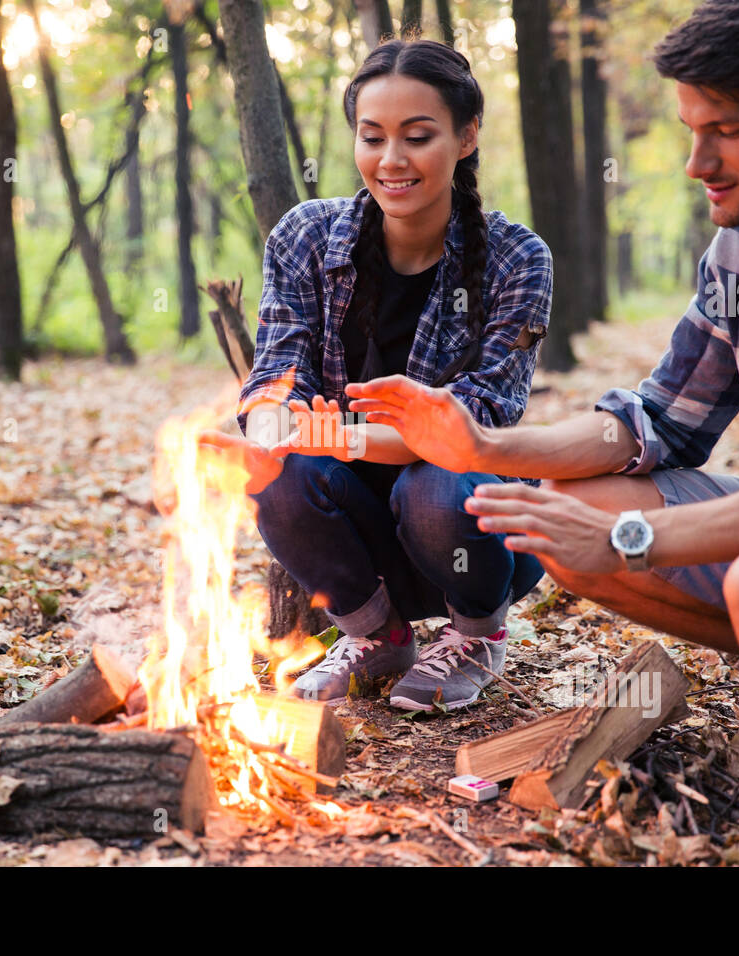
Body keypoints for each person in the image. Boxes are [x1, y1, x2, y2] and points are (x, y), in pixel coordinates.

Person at [347, 0, 739, 832]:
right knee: (577, 515)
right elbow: (658, 422)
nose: (695, 161)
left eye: (727, 130)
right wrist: (485, 441)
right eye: (689, 129)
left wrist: (634, 541)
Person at [203, 39, 552, 712]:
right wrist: (274, 430)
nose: (391, 161)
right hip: (357, 536)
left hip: (472, 532)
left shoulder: (517, 257)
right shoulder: (306, 236)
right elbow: (277, 371)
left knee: (436, 483)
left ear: (467, 135)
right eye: (373, 137)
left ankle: (476, 634)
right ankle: (377, 636)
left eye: (417, 137)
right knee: (275, 474)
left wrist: (344, 439)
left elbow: (473, 426)